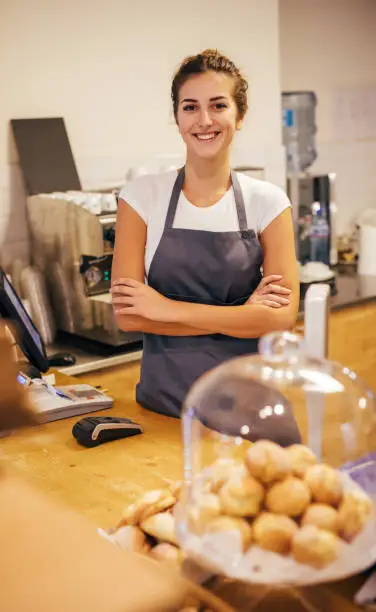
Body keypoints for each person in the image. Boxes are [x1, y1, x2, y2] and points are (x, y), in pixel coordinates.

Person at [111, 49, 299, 419]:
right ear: (177, 116)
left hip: (245, 409)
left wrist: (164, 309)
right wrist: (241, 316)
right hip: (163, 408)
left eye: (218, 105)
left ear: (239, 115)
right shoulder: (140, 196)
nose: (204, 120)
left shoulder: (269, 202)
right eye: (190, 107)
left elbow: (280, 318)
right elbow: (128, 315)